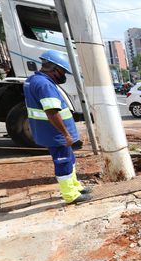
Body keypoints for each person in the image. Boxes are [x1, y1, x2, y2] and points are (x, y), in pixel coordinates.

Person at [23, 50, 92, 204]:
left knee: (70, 159)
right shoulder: (44, 84)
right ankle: (70, 195)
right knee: (63, 161)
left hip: (53, 132)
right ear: (54, 69)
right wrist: (66, 134)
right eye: (63, 72)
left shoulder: (34, 80)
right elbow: (52, 112)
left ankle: (75, 186)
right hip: (55, 133)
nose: (64, 76)